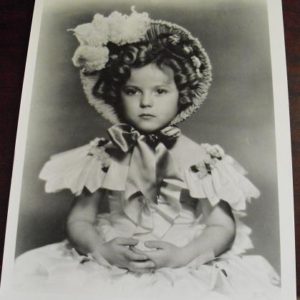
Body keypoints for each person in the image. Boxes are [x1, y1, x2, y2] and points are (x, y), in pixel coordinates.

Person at [14, 7, 280, 300]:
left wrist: (183, 255)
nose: (146, 103)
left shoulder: (199, 159)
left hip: (180, 261)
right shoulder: (104, 155)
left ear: (183, 95)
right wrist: (101, 249)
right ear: (116, 93)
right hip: (115, 258)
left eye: (160, 91)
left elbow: (221, 225)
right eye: (132, 91)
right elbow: (80, 219)